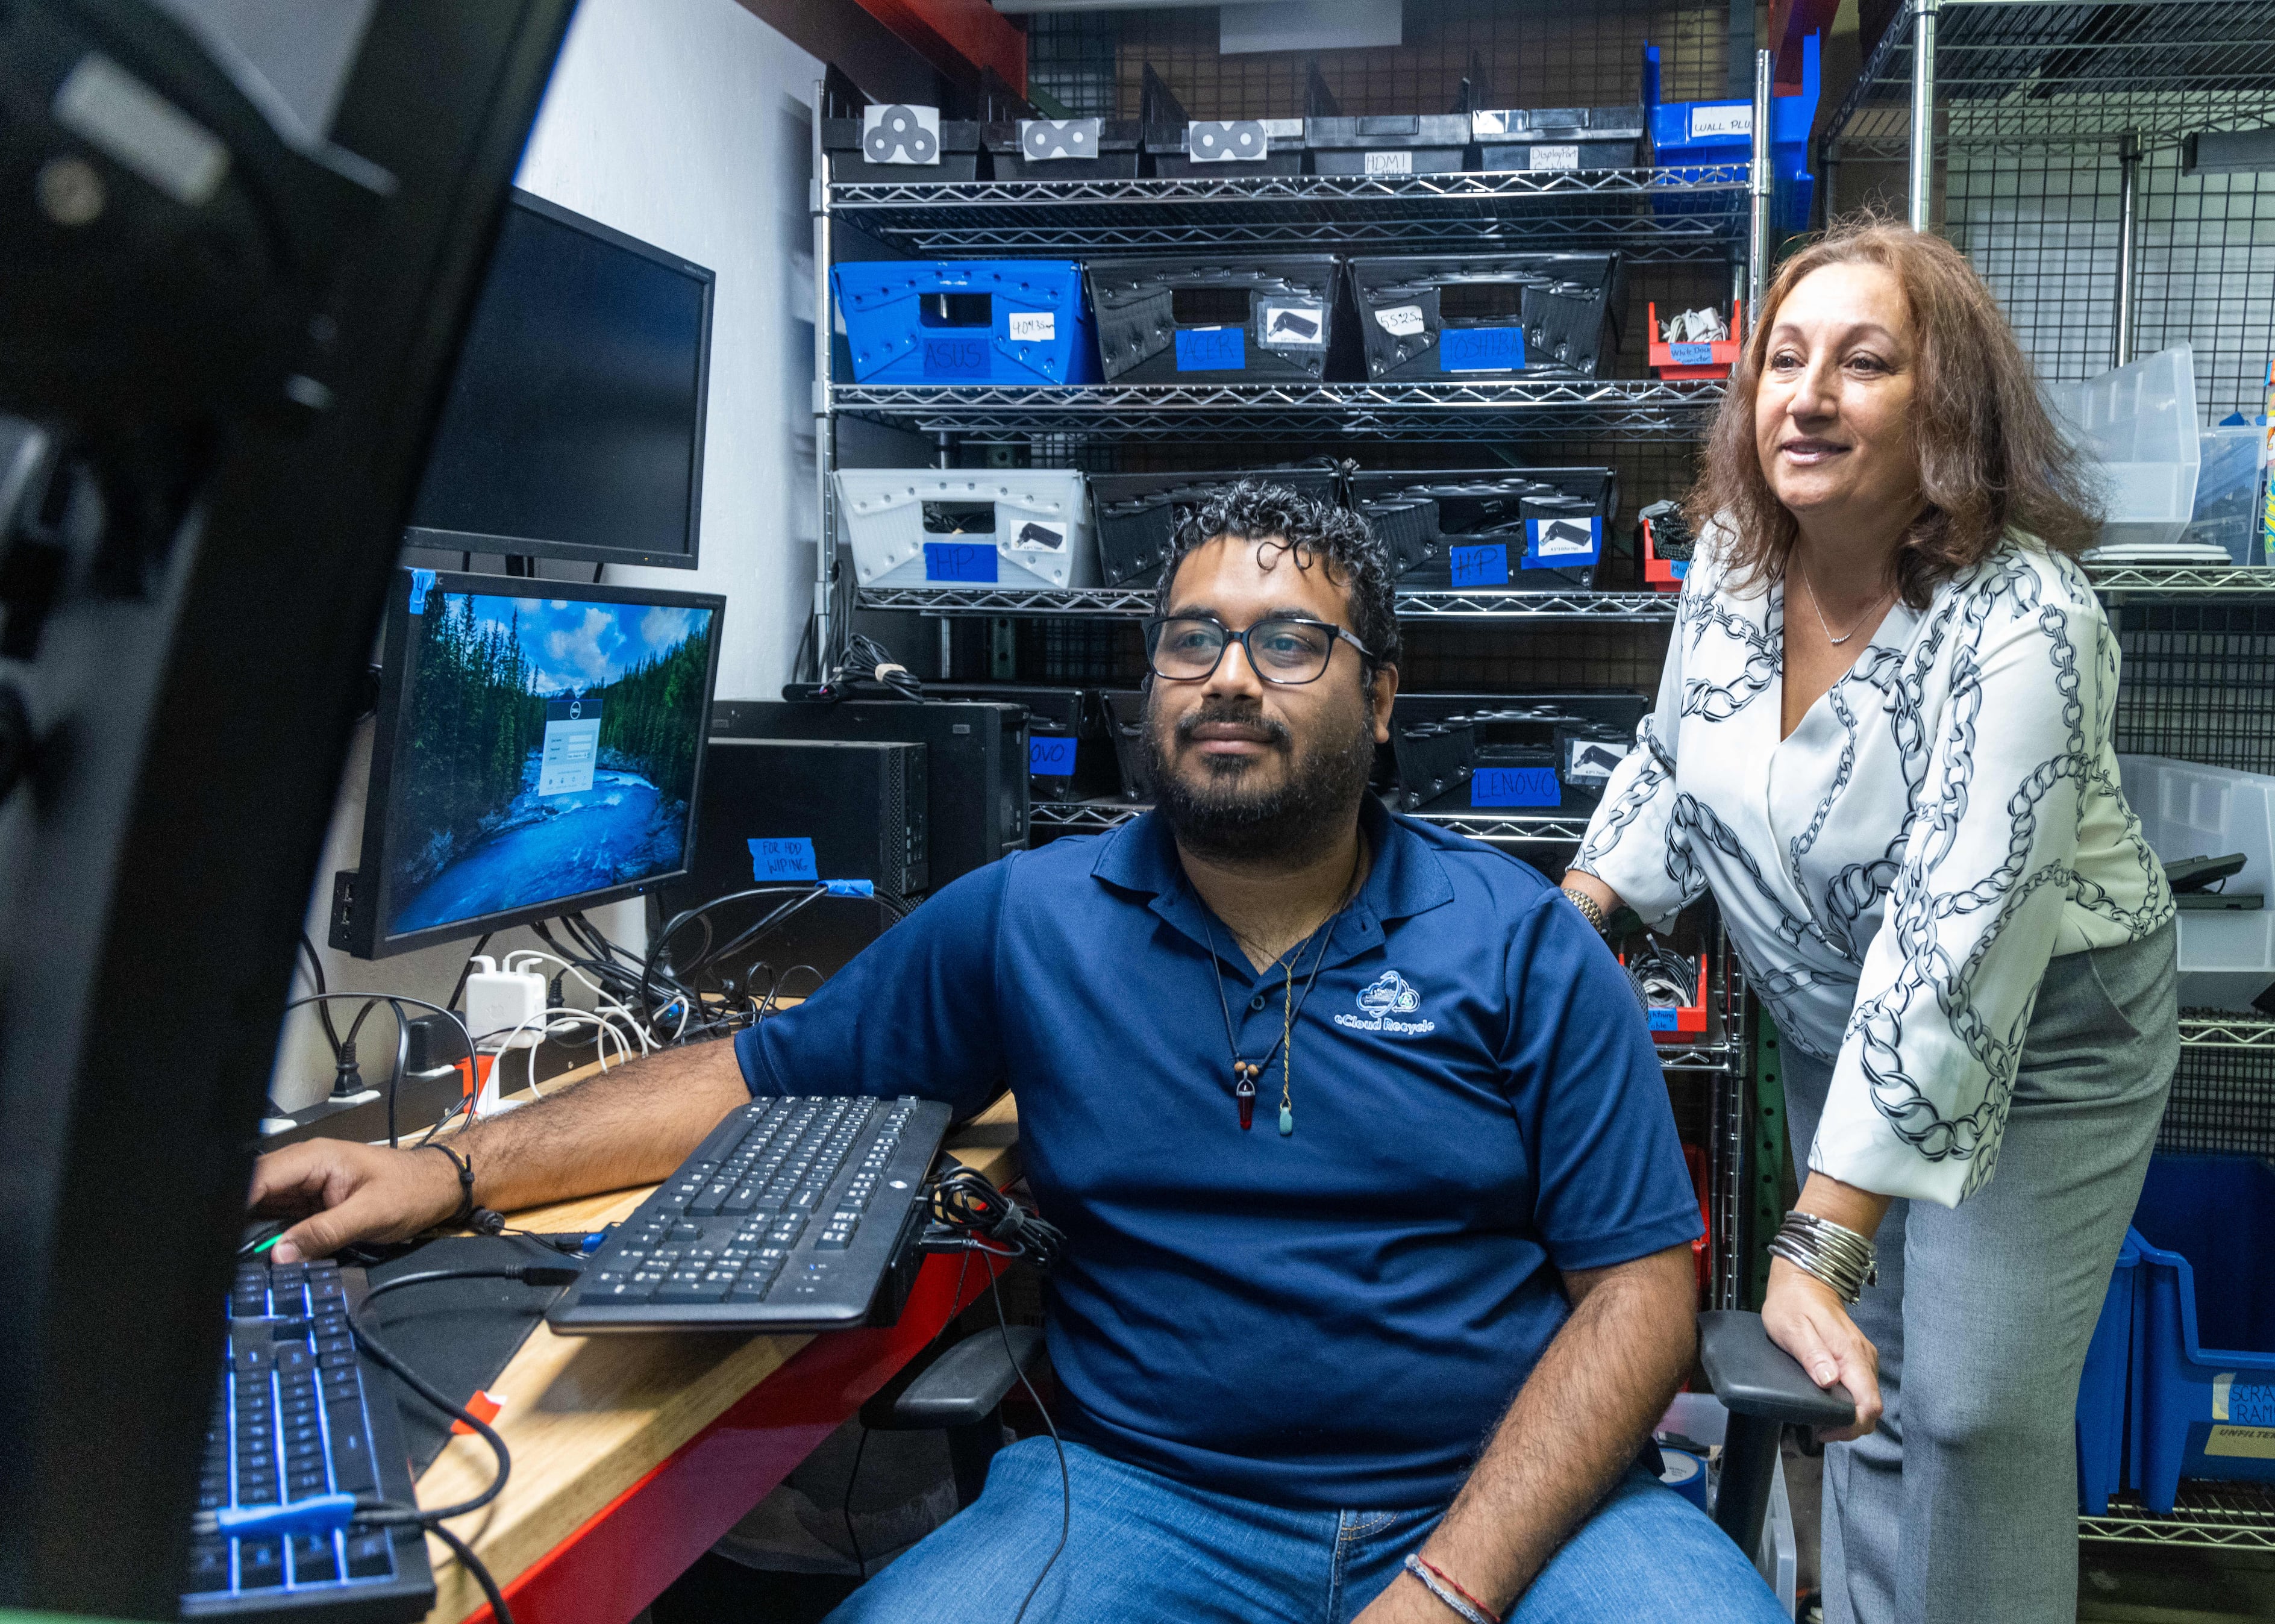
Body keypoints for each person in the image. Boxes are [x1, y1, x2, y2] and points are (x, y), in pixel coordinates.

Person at [252, 484, 1783, 1623]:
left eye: (1289, 642)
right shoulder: (1028, 921)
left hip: (1513, 1494)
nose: (1228, 676)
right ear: (1151, 687)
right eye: (1193, 640)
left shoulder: (1517, 940)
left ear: (1382, 701)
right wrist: (443, 1165)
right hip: (1145, 1497)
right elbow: (757, 1072)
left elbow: (1642, 1291)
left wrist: (1449, 1590)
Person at [1563, 219, 2177, 1624]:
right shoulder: (1728, 564)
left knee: (1970, 1409)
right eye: (1785, 359)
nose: (1808, 393)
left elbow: (1958, 943)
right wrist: (1579, 913)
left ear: (1946, 406)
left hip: (2045, 1032)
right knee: (1857, 1390)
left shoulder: (2026, 617)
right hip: (1840, 1012)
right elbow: (1675, 760)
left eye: (1865, 361)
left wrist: (1816, 1240)